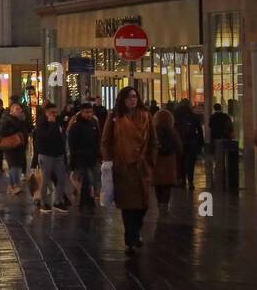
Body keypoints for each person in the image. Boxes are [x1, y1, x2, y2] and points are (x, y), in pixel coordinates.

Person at [101, 86, 157, 254]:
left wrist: (151, 161)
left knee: (143, 205)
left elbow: (154, 141)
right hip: (123, 167)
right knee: (128, 205)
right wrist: (108, 160)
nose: (132, 99)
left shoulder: (146, 117)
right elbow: (106, 140)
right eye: (129, 97)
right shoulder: (115, 117)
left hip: (142, 167)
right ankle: (131, 237)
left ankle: (135, 232)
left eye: (135, 96)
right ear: (123, 100)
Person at [33, 103, 69, 213]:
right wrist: (52, 124)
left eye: (55, 112)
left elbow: (61, 137)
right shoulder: (42, 123)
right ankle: (43, 202)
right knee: (45, 179)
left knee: (61, 178)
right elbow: (44, 137)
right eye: (52, 112)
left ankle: (58, 201)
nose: (54, 114)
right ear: (46, 112)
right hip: (46, 154)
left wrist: (64, 153)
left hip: (58, 155)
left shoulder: (58, 121)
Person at [67, 102, 102, 211]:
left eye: (91, 112)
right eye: (86, 112)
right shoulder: (76, 126)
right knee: (87, 179)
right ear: (81, 112)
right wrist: (73, 159)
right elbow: (72, 144)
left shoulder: (93, 124)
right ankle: (86, 202)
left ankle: (87, 201)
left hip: (92, 157)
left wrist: (99, 154)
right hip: (81, 158)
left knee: (93, 179)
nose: (89, 114)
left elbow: (97, 140)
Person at [152, 107, 181, 210]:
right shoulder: (173, 132)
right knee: (167, 185)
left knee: (158, 185)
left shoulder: (153, 132)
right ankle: (165, 204)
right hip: (169, 161)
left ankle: (159, 203)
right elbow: (179, 147)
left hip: (157, 161)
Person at [0, 103, 30, 194]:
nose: (19, 110)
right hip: (11, 146)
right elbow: (2, 132)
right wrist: (16, 132)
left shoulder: (21, 119)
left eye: (19, 109)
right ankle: (15, 185)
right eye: (17, 109)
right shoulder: (8, 120)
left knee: (17, 166)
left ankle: (11, 186)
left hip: (20, 146)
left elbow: (27, 129)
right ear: (11, 111)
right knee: (14, 166)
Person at [174, 100, 203, 191]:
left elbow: (173, 130)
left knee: (181, 162)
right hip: (192, 143)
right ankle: (190, 181)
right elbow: (199, 130)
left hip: (180, 143)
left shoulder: (176, 117)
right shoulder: (194, 117)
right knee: (191, 163)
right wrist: (201, 143)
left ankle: (182, 180)